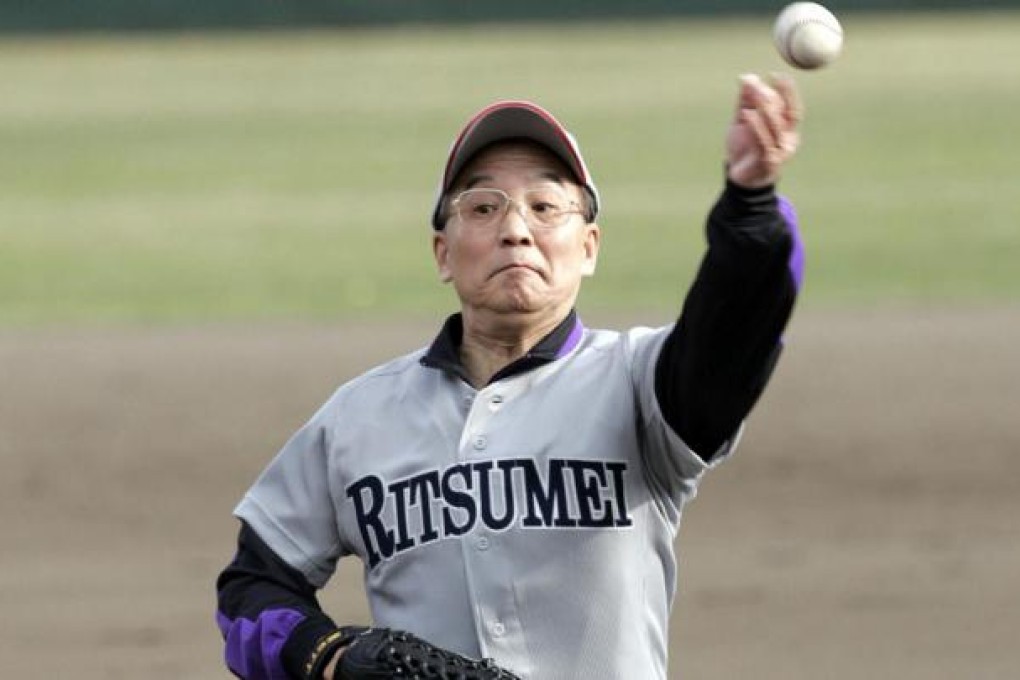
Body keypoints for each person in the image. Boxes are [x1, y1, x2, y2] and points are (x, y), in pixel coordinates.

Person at [215, 72, 805, 680]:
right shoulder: (357, 419)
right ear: (442, 252)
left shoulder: (638, 384)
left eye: (546, 207)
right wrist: (326, 659)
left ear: (589, 246)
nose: (516, 229)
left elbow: (737, 332)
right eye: (483, 207)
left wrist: (752, 205)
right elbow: (253, 585)